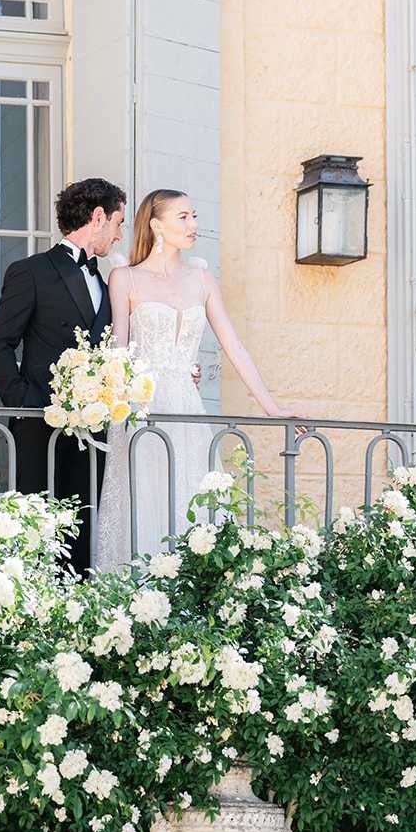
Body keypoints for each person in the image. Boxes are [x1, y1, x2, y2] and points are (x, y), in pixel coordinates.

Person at [95, 188, 287, 572]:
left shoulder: (201, 279)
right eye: (183, 217)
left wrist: (273, 408)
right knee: (146, 501)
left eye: (194, 215)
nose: (194, 224)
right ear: (156, 225)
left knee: (192, 499)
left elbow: (234, 346)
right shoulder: (125, 278)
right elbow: (118, 351)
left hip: (187, 407)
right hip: (142, 410)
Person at [0, 177, 126, 575]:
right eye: (118, 222)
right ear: (98, 218)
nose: (118, 235)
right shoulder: (31, 272)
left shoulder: (107, 282)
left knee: (82, 540)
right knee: (37, 535)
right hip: (39, 427)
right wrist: (28, 405)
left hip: (92, 432)